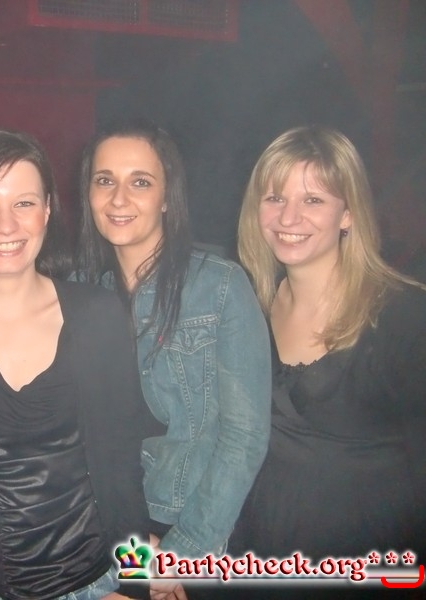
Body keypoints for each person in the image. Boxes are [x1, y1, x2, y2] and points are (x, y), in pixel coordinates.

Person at [0, 129, 162, 600]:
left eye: (23, 203)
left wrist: (137, 582)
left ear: (48, 209)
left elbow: (122, 467)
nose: (6, 225)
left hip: (94, 586)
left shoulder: (98, 315)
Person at [75, 119, 272, 596]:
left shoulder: (220, 287)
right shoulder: (77, 293)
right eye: (105, 180)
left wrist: (181, 554)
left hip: (190, 526)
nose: (119, 198)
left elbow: (244, 437)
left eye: (140, 182)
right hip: (103, 530)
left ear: (167, 196)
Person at [230, 126, 426, 592]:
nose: (289, 216)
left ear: (348, 213)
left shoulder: (404, 317)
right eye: (275, 197)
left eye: (313, 200)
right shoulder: (244, 308)